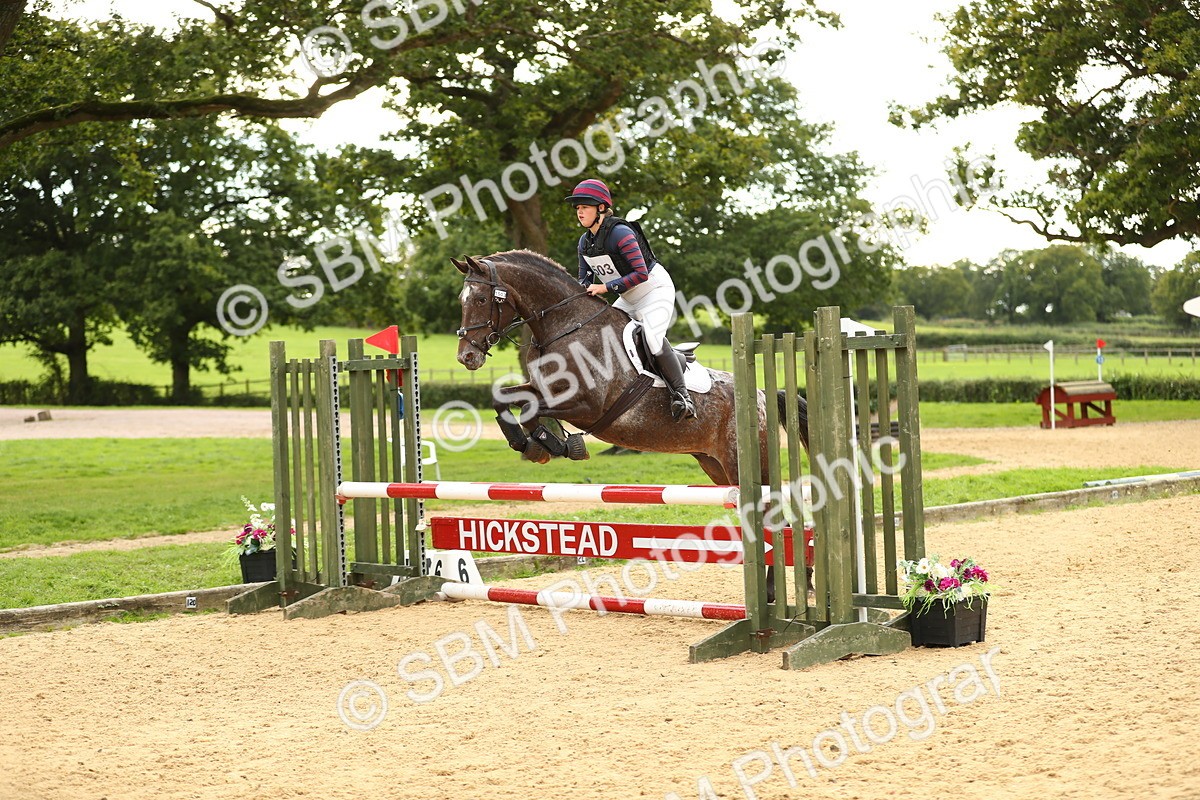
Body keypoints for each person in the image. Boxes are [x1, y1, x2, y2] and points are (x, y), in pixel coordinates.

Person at [564, 178, 696, 422]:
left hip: (654, 290)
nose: (579, 211)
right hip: (627, 296)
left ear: (601, 208)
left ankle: (683, 396)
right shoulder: (585, 242)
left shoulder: (620, 233)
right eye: (577, 207)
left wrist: (605, 287)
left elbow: (640, 273)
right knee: (601, 335)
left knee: (652, 339)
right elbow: (584, 280)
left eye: (585, 206)